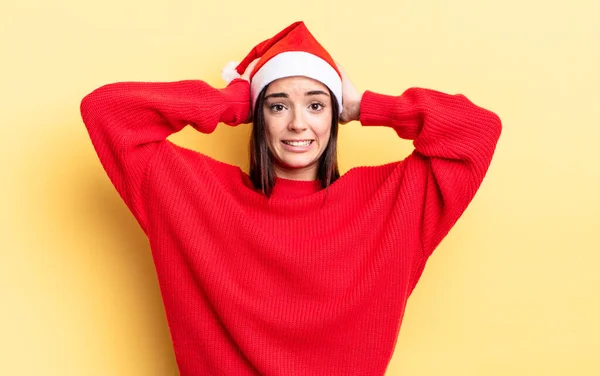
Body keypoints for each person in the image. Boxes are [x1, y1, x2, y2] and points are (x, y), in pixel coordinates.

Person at [80, 21, 501, 376]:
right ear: (257, 115)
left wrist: (362, 105)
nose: (298, 124)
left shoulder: (391, 202)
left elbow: (478, 131)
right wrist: (230, 101)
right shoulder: (194, 194)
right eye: (278, 106)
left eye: (316, 105)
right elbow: (106, 111)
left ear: (334, 117)